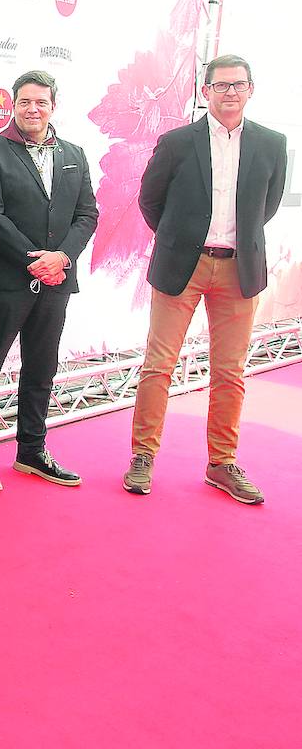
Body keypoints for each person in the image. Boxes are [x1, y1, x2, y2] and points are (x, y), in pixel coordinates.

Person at [124, 54, 287, 502]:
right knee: (159, 365)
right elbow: (150, 199)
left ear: (251, 89)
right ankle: (142, 456)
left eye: (239, 84)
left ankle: (222, 462)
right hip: (183, 265)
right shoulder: (177, 142)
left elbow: (266, 208)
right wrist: (181, 240)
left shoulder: (273, 143)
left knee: (230, 371)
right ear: (206, 91)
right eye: (221, 85)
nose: (230, 92)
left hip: (240, 268)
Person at [0, 70, 98, 492]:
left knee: (42, 368)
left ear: (53, 106)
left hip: (57, 281)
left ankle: (32, 450)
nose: (32, 110)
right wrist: (33, 260)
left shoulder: (74, 153)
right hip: (6, 281)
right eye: (24, 103)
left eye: (41, 102)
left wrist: (62, 258)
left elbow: (86, 214)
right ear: (12, 106)